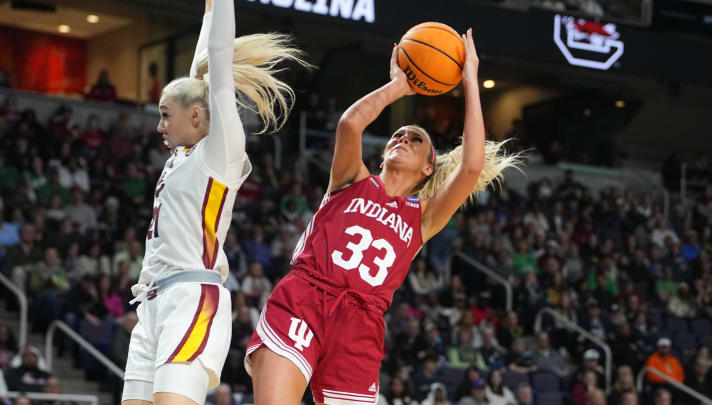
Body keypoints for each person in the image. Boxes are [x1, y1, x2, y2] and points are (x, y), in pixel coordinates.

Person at [245, 29, 521, 405]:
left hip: (361, 322)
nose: (402, 138)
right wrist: (397, 87)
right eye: (397, 135)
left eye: (415, 138)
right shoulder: (351, 179)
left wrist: (470, 78)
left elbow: (471, 167)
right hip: (304, 299)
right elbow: (350, 125)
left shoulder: (423, 216)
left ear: (428, 168)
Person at [120, 0, 309, 404]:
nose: (159, 125)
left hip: (192, 297)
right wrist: (208, 12)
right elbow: (198, 78)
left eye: (164, 115)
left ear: (195, 116)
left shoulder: (220, 153)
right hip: (152, 303)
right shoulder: (181, 155)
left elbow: (219, 68)